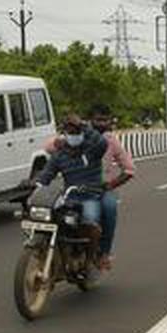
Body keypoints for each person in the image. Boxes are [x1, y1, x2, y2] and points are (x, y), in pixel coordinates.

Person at [44, 104, 135, 271]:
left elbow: (129, 169)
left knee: (109, 207)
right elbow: (49, 147)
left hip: (102, 189)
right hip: (76, 189)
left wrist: (110, 184)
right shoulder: (77, 135)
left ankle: (104, 254)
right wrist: (65, 139)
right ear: (91, 120)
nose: (102, 123)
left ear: (110, 122)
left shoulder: (109, 141)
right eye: (98, 119)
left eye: (105, 120)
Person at [34, 114, 108, 248]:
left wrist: (83, 125)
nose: (73, 135)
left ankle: (93, 256)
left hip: (90, 196)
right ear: (65, 134)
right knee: (52, 219)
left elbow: (102, 143)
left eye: (76, 132)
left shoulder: (92, 149)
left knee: (90, 223)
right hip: (68, 198)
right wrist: (36, 186)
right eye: (70, 132)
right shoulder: (59, 155)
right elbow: (47, 174)